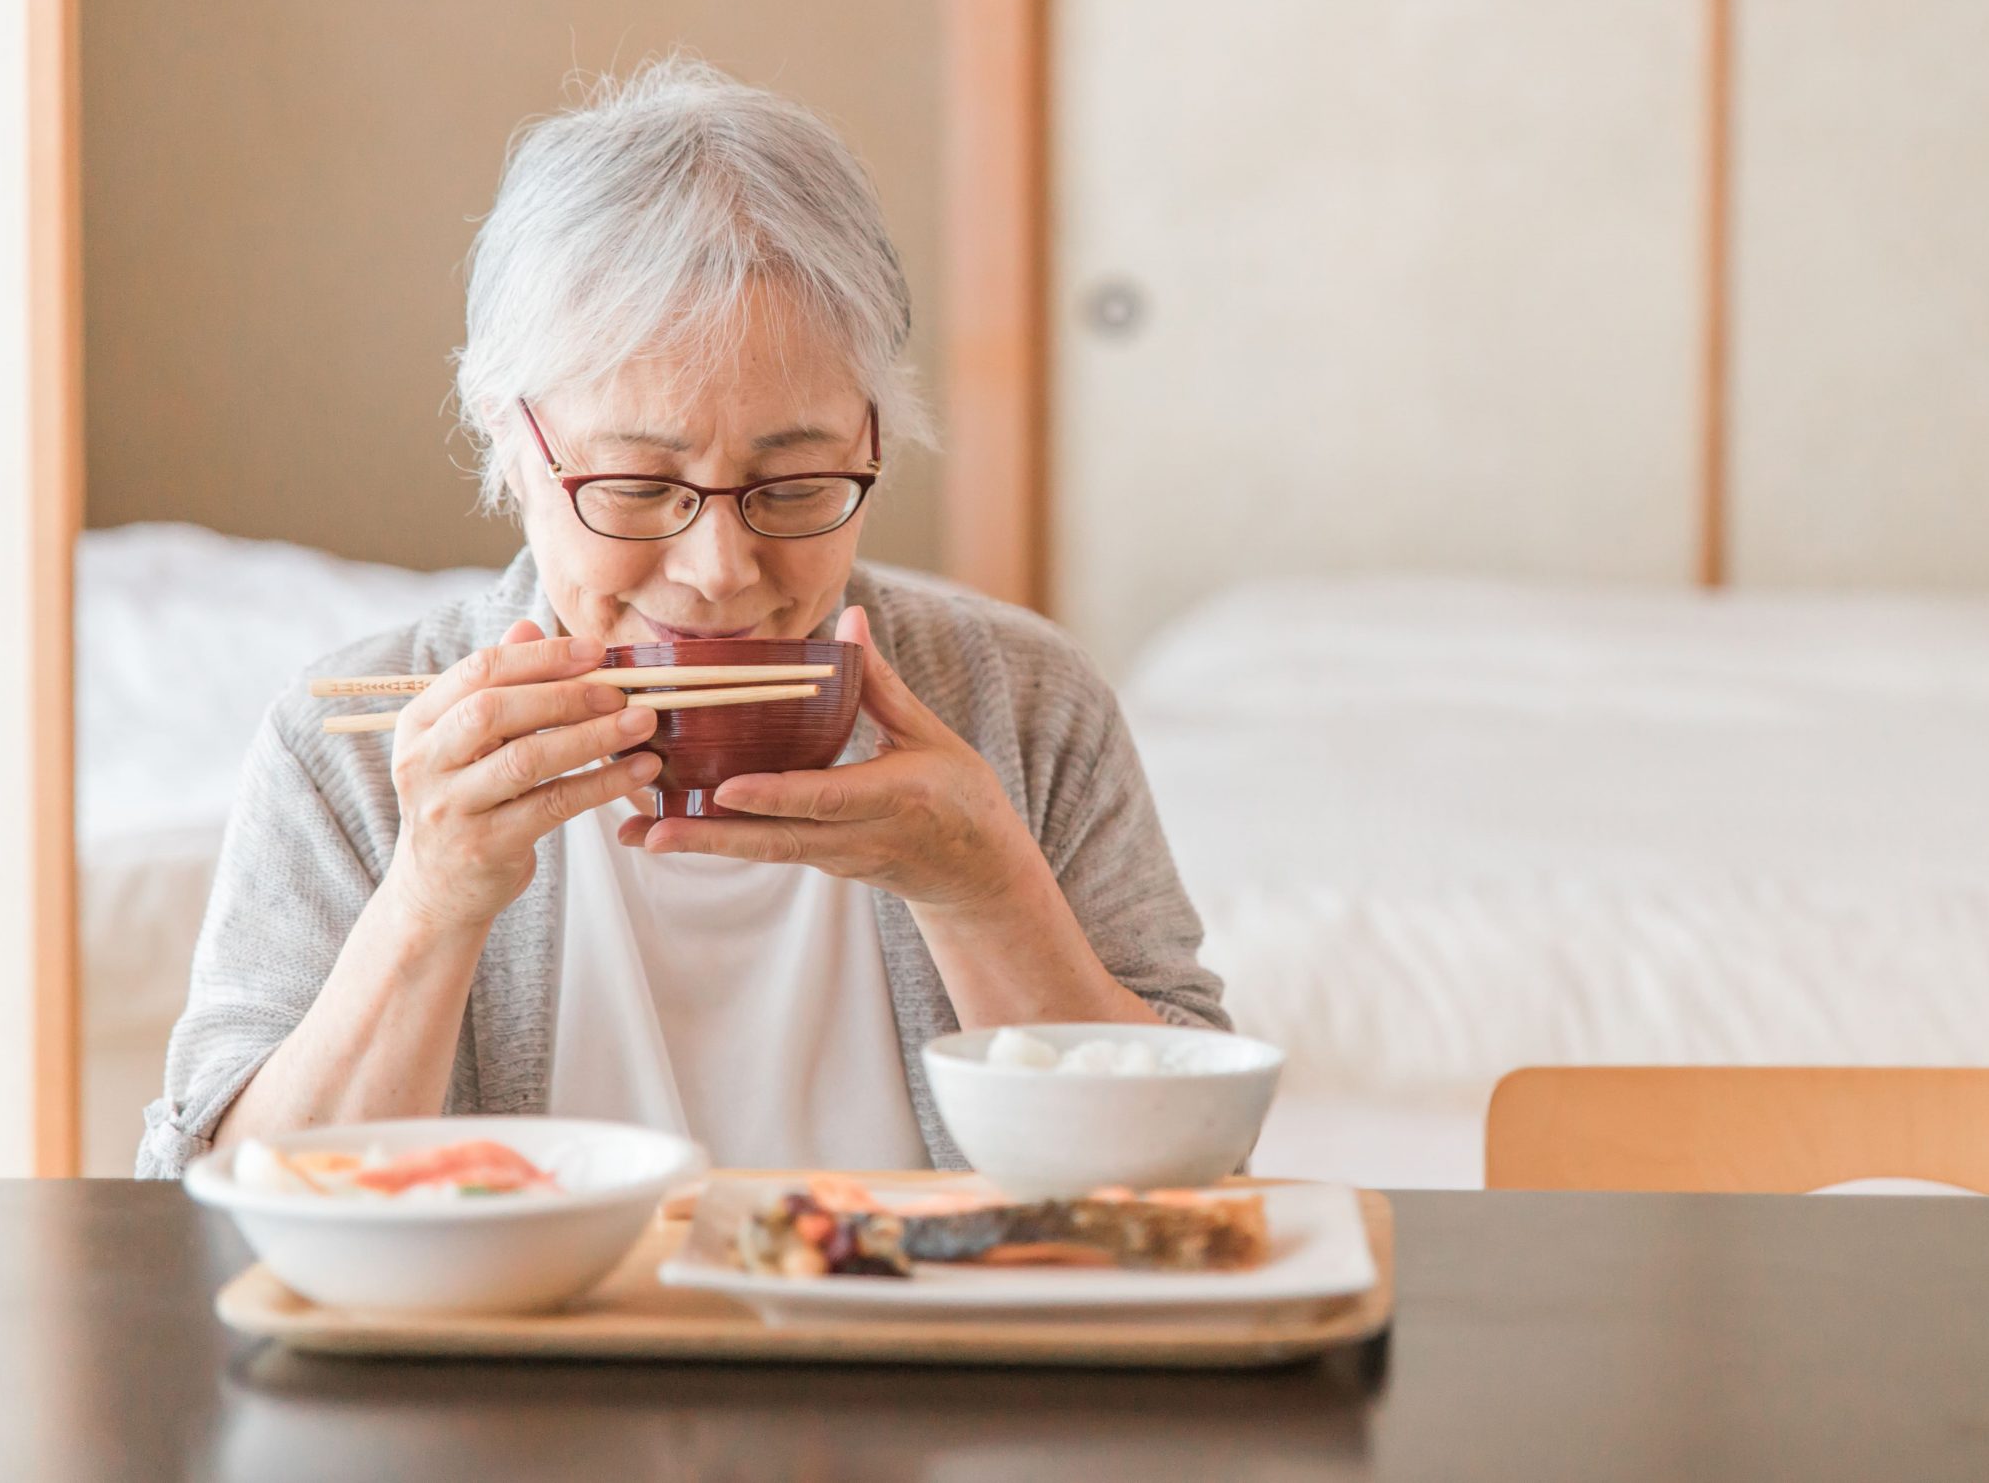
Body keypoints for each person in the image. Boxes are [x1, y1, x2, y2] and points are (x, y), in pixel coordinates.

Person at [138, 58, 1224, 1177]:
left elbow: (1194, 1193)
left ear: (875, 443)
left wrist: (988, 891)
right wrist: (432, 896)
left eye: (794, 486)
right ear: (512, 446)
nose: (717, 570)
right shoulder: (358, 748)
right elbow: (213, 1229)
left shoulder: (1024, 706)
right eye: (638, 487)